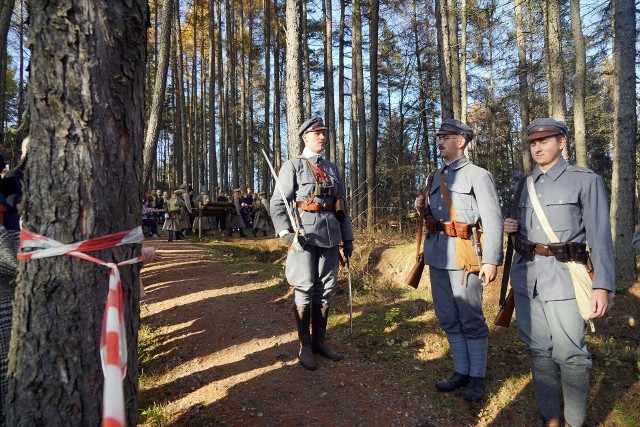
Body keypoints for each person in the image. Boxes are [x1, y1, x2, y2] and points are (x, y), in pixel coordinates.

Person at [503, 118, 615, 427]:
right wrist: (510, 229)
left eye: (545, 141)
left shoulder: (585, 180)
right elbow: (523, 234)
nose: (538, 147)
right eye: (533, 143)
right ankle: (550, 419)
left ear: (562, 142)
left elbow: (600, 236)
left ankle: (575, 422)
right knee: (539, 352)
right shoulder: (522, 184)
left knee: (571, 356)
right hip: (528, 279)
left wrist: (602, 285)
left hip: (565, 279)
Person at [414, 119, 503, 401]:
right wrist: (420, 207)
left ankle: (477, 377)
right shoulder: (434, 176)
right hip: (437, 254)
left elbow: (493, 219)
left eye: (446, 137)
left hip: (465, 255)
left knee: (471, 318)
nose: (440, 141)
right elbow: (433, 214)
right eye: (438, 136)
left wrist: (491, 260)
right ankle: (461, 370)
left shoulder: (478, 175)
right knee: (448, 317)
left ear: (461, 141)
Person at [270, 117, 354, 371]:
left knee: (325, 290)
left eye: (324, 132)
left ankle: (320, 341)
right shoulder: (293, 166)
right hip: (304, 236)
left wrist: (347, 237)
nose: (322, 137)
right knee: (305, 288)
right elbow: (277, 202)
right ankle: (304, 345)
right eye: (316, 133)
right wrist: (285, 233)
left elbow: (341, 205)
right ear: (305, 137)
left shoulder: (332, 168)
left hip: (330, 236)